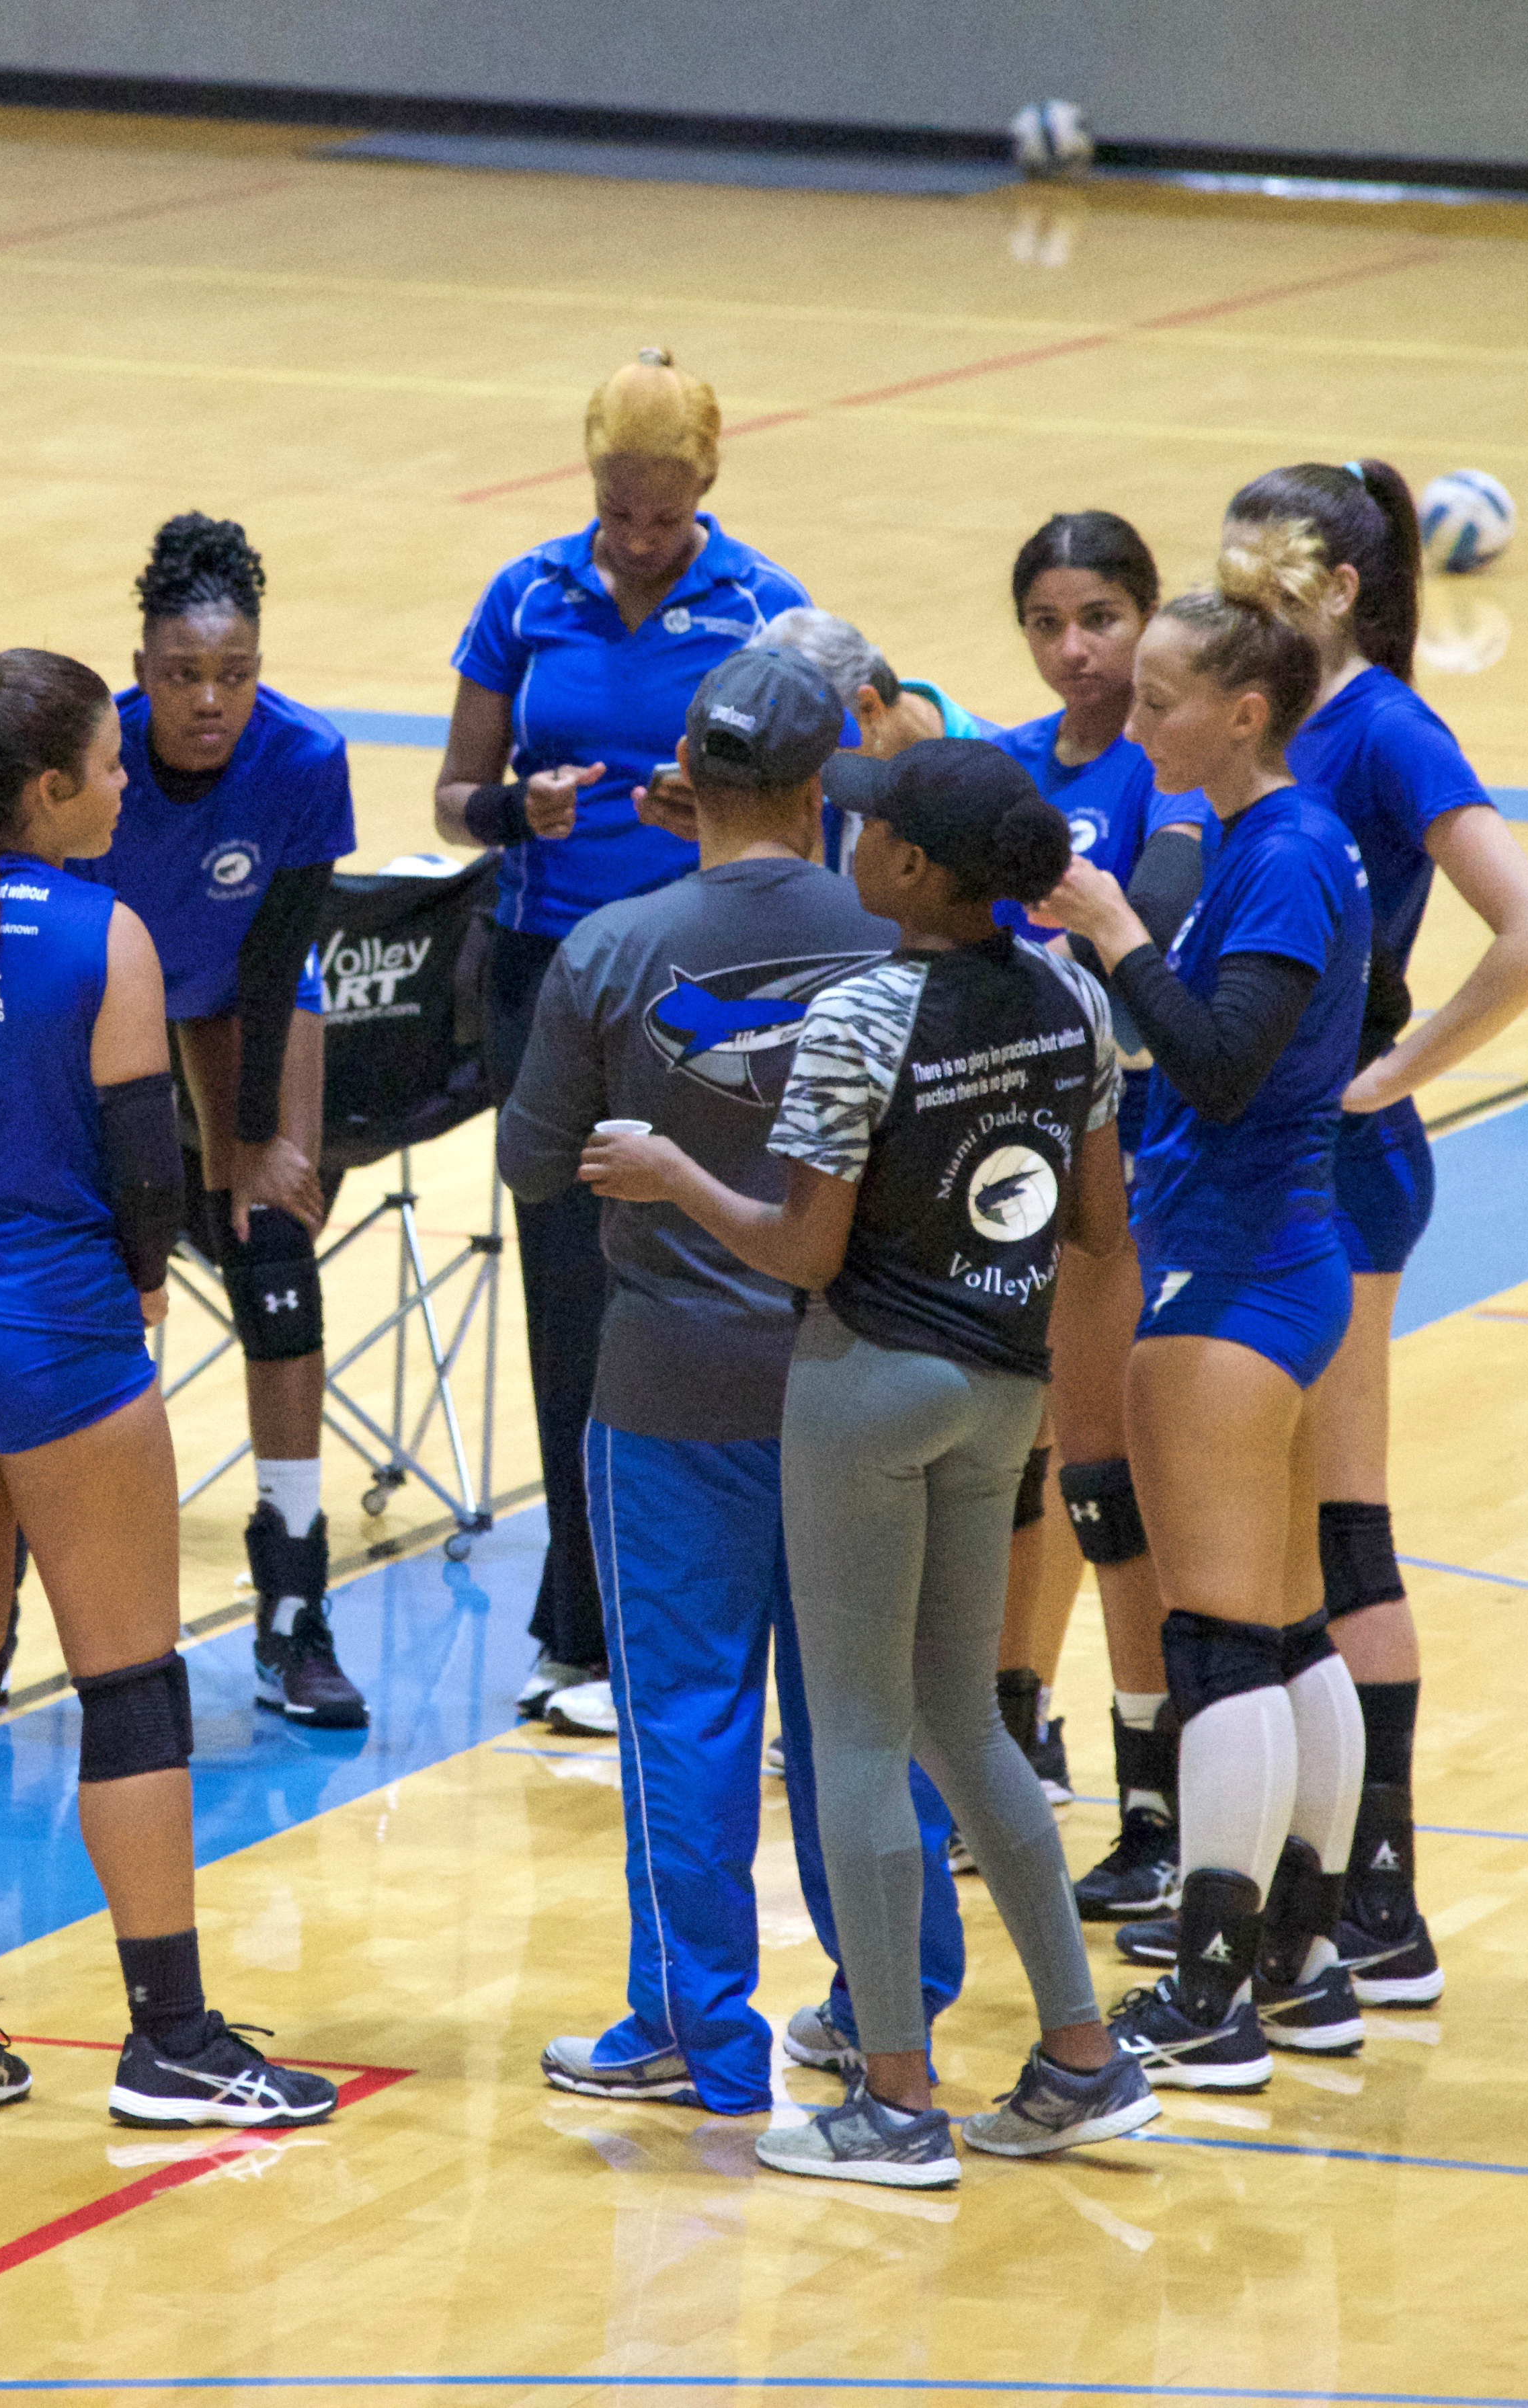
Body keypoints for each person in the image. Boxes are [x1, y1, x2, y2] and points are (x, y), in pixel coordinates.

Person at [592, 738, 1160, 2184]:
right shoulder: (1072, 997)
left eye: (868, 827)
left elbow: (802, 1250)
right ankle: (1082, 2055)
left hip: (864, 1389)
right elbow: (1099, 1224)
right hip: (1003, 1388)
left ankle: (896, 2100)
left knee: (851, 1737)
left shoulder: (860, 1017)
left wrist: (672, 1175)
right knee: (964, 1723)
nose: (846, 836)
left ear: (911, 867)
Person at [0, 647, 335, 2130]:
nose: (123, 785)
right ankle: (171, 2041)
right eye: (106, 766)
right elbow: (146, 1172)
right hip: (49, 1330)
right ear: (47, 791)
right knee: (129, 1684)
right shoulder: (109, 936)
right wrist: (136, 1281)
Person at [1156, 460, 1528, 2013]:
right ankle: (1291, 1895)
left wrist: (1395, 1069)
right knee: (1275, 1541)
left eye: (1259, 580)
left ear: (1339, 590)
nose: (1234, 605)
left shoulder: (1385, 729)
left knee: (1333, 1530)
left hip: (1335, 1157)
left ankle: (1373, 1902)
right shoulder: (1253, 722)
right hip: (1264, 1147)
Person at [494, 649, 903, 2122]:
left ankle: (694, 2032)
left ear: (686, 769)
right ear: (823, 780)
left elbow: (532, 1163)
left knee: (684, 1711)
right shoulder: (901, 939)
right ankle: (886, 2017)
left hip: (670, 1390)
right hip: (864, 1382)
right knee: (869, 1716)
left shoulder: (612, 944)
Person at [1037, 528, 1377, 2089]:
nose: (1136, 719)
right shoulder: (1267, 836)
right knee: (1290, 1631)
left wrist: (1117, 934)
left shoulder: (1287, 849)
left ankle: (1215, 1995)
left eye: (1161, 700)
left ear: (1245, 713)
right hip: (1273, 1255)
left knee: (1221, 1642)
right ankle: (1304, 1966)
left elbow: (1226, 1062)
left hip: (1238, 1271)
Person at [434, 349, 813, 1723]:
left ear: (707, 485)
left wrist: (715, 819)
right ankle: (583, 1621)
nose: (640, 538)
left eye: (665, 514)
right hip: (551, 974)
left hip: (715, 979)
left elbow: (813, 807)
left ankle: (726, 1607)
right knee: (571, 1299)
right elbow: (452, 798)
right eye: (617, 509)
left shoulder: (765, 607)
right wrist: (512, 811)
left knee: (720, 1287)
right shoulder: (525, 595)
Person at [75, 512, 365, 1728]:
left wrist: (248, 1145)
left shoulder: (304, 758)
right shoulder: (91, 755)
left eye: (235, 673)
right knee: (88, 1268)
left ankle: (293, 1602)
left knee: (273, 1248)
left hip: (249, 987)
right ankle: (43, 1608)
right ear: (140, 669)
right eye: (184, 674)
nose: (210, 699)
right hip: (108, 998)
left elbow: (275, 959)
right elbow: (71, 956)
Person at [983, 511, 1211, 1919]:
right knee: (1010, 1472)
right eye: (1048, 623)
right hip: (998, 1163)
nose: (1075, 650)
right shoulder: (1009, 764)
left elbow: (1159, 940)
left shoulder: (1168, 766)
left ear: (1148, 615)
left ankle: (1156, 1803)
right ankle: (1008, 1741)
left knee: (1108, 1485)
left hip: (1123, 1169)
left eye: (1102, 620)